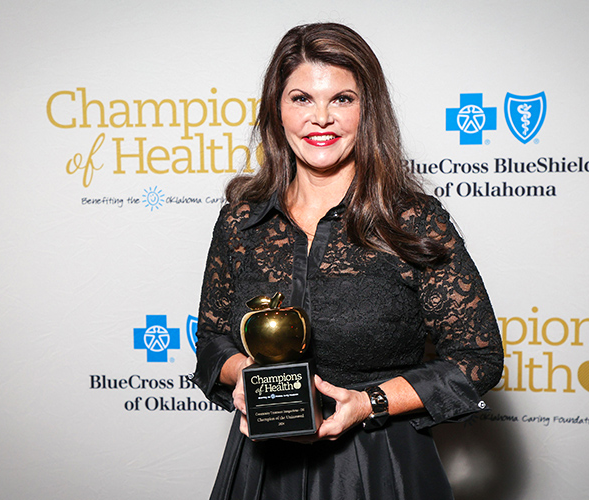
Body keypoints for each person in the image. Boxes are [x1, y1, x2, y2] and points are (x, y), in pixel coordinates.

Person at [192, 22, 504, 500]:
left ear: (368, 110)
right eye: (301, 99)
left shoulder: (412, 221)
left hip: (379, 468)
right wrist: (242, 378)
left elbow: (477, 359)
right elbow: (212, 340)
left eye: (342, 99)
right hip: (260, 470)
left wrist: (368, 402)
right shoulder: (241, 222)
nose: (321, 119)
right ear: (277, 110)